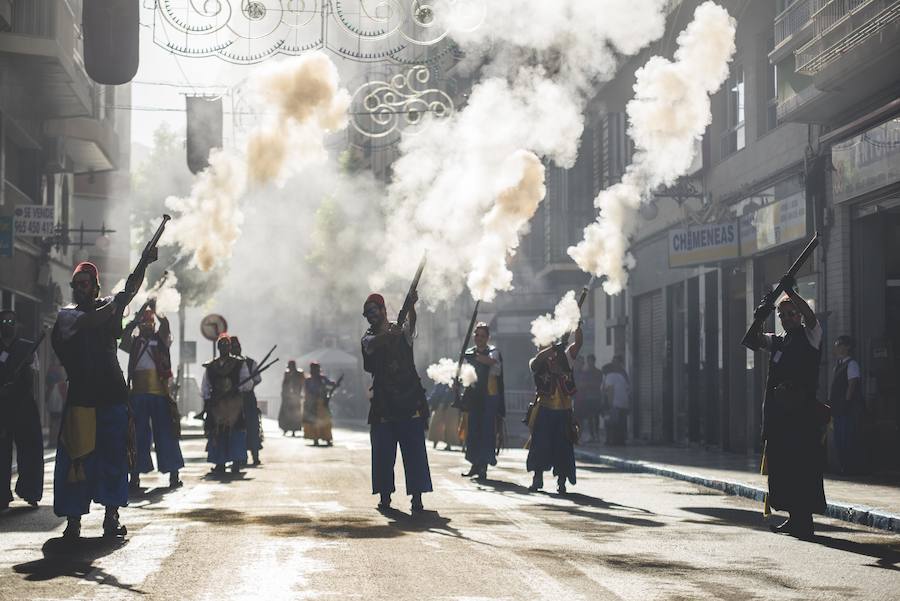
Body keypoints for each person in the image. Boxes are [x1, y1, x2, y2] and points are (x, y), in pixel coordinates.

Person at [52, 259, 153, 541]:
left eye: (86, 284)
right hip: (81, 396)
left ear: (96, 287)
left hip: (111, 393)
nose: (80, 289)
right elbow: (93, 319)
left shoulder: (110, 305)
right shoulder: (67, 315)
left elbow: (130, 288)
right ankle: (73, 521)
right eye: (77, 285)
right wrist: (116, 303)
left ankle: (111, 517)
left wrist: (145, 263)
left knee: (113, 457)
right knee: (77, 458)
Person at [745, 279, 826, 539]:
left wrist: (790, 292)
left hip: (801, 417)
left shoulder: (812, 335)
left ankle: (804, 520)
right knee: (782, 469)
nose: (788, 318)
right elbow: (750, 341)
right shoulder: (778, 340)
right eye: (782, 315)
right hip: (779, 417)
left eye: (792, 313)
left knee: (801, 468)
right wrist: (761, 316)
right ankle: (793, 518)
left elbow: (811, 317)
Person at [361, 292, 432, 512]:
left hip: (409, 397)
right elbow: (372, 344)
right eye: (368, 313)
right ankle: (385, 496)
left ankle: (417, 497)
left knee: (414, 452)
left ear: (383, 310)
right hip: (384, 402)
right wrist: (388, 335)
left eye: (374, 311)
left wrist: (411, 306)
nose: (371, 316)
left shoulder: (400, 330)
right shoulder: (368, 337)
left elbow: (410, 329)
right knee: (383, 453)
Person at [120, 305, 184, 489]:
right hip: (138, 393)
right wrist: (136, 317)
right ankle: (135, 475)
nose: (148, 326)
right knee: (136, 435)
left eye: (150, 322)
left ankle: (173, 473)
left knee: (166, 433)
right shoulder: (134, 342)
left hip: (159, 392)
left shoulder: (161, 340)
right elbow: (123, 335)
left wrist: (155, 309)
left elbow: (165, 325)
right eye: (144, 323)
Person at [526, 322, 583, 494]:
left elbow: (578, 344)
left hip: (563, 411)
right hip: (544, 409)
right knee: (540, 446)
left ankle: (562, 481)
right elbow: (536, 363)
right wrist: (552, 350)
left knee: (563, 448)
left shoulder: (565, 356)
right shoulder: (538, 360)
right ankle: (538, 478)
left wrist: (577, 326)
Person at [0, 310, 43, 510]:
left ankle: (30, 490)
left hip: (24, 405)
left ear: (17, 324)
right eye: (3, 321)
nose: (7, 324)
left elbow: (34, 378)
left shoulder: (28, 348)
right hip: (2, 407)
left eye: (11, 321)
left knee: (30, 449)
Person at [460, 322, 505, 480]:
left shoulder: (493, 351)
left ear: (488, 337)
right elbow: (463, 374)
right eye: (477, 335)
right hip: (474, 397)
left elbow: (493, 364)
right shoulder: (469, 353)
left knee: (486, 432)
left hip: (489, 396)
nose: (479, 338)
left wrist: (477, 357)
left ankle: (483, 466)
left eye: (482, 336)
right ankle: (474, 464)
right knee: (473, 432)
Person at [201, 334, 251, 476]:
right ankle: (219, 462)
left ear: (230, 347)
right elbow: (206, 386)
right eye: (221, 346)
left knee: (235, 432)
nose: (224, 348)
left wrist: (237, 390)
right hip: (217, 404)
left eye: (226, 345)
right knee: (217, 433)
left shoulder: (239, 363)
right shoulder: (211, 366)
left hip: (234, 404)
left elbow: (246, 383)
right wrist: (208, 399)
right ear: (218, 348)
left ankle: (236, 462)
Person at [829, 335, 863, 474]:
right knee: (839, 438)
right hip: (838, 408)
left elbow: (852, 385)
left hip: (847, 409)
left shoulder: (852, 364)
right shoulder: (838, 365)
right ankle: (843, 466)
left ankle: (850, 467)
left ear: (847, 347)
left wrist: (846, 402)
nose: (836, 347)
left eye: (839, 344)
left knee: (847, 437)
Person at [230, 337, 263, 466]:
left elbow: (257, 379)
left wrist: (248, 386)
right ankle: (239, 457)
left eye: (237, 346)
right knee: (236, 428)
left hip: (248, 399)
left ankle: (255, 455)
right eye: (233, 347)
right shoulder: (228, 364)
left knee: (252, 427)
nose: (236, 349)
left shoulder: (250, 362)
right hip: (233, 401)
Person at [303, 361, 336, 446]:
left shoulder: (323, 378)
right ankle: (315, 438)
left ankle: (327, 438)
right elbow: (307, 392)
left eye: (316, 368)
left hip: (322, 404)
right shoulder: (308, 380)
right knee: (314, 423)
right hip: (312, 405)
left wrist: (333, 384)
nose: (315, 370)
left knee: (326, 422)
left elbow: (330, 384)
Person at [576, 354, 604, 442]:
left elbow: (598, 384)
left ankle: (596, 435)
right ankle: (592, 435)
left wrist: (587, 385)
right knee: (589, 417)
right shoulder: (585, 372)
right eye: (588, 361)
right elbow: (581, 384)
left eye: (590, 361)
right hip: (587, 398)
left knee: (596, 417)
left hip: (596, 397)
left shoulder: (598, 372)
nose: (589, 363)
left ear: (594, 361)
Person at [603, 355, 631, 446]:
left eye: (615, 362)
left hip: (615, 403)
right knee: (621, 423)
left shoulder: (610, 376)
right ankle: (620, 441)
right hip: (623, 403)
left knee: (612, 423)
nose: (614, 364)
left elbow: (610, 390)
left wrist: (610, 404)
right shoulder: (623, 375)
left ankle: (612, 441)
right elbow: (628, 388)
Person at [427, 382, 462, 451]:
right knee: (437, 424)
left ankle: (447, 443)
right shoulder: (441, 381)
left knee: (450, 425)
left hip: (450, 404)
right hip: (442, 403)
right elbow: (437, 392)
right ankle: (436, 442)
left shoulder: (455, 380)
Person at [279, 360, 304, 436]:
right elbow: (284, 385)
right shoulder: (287, 373)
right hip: (287, 397)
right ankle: (285, 429)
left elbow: (301, 384)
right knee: (286, 414)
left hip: (295, 396)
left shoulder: (299, 373)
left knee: (295, 414)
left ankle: (294, 430)